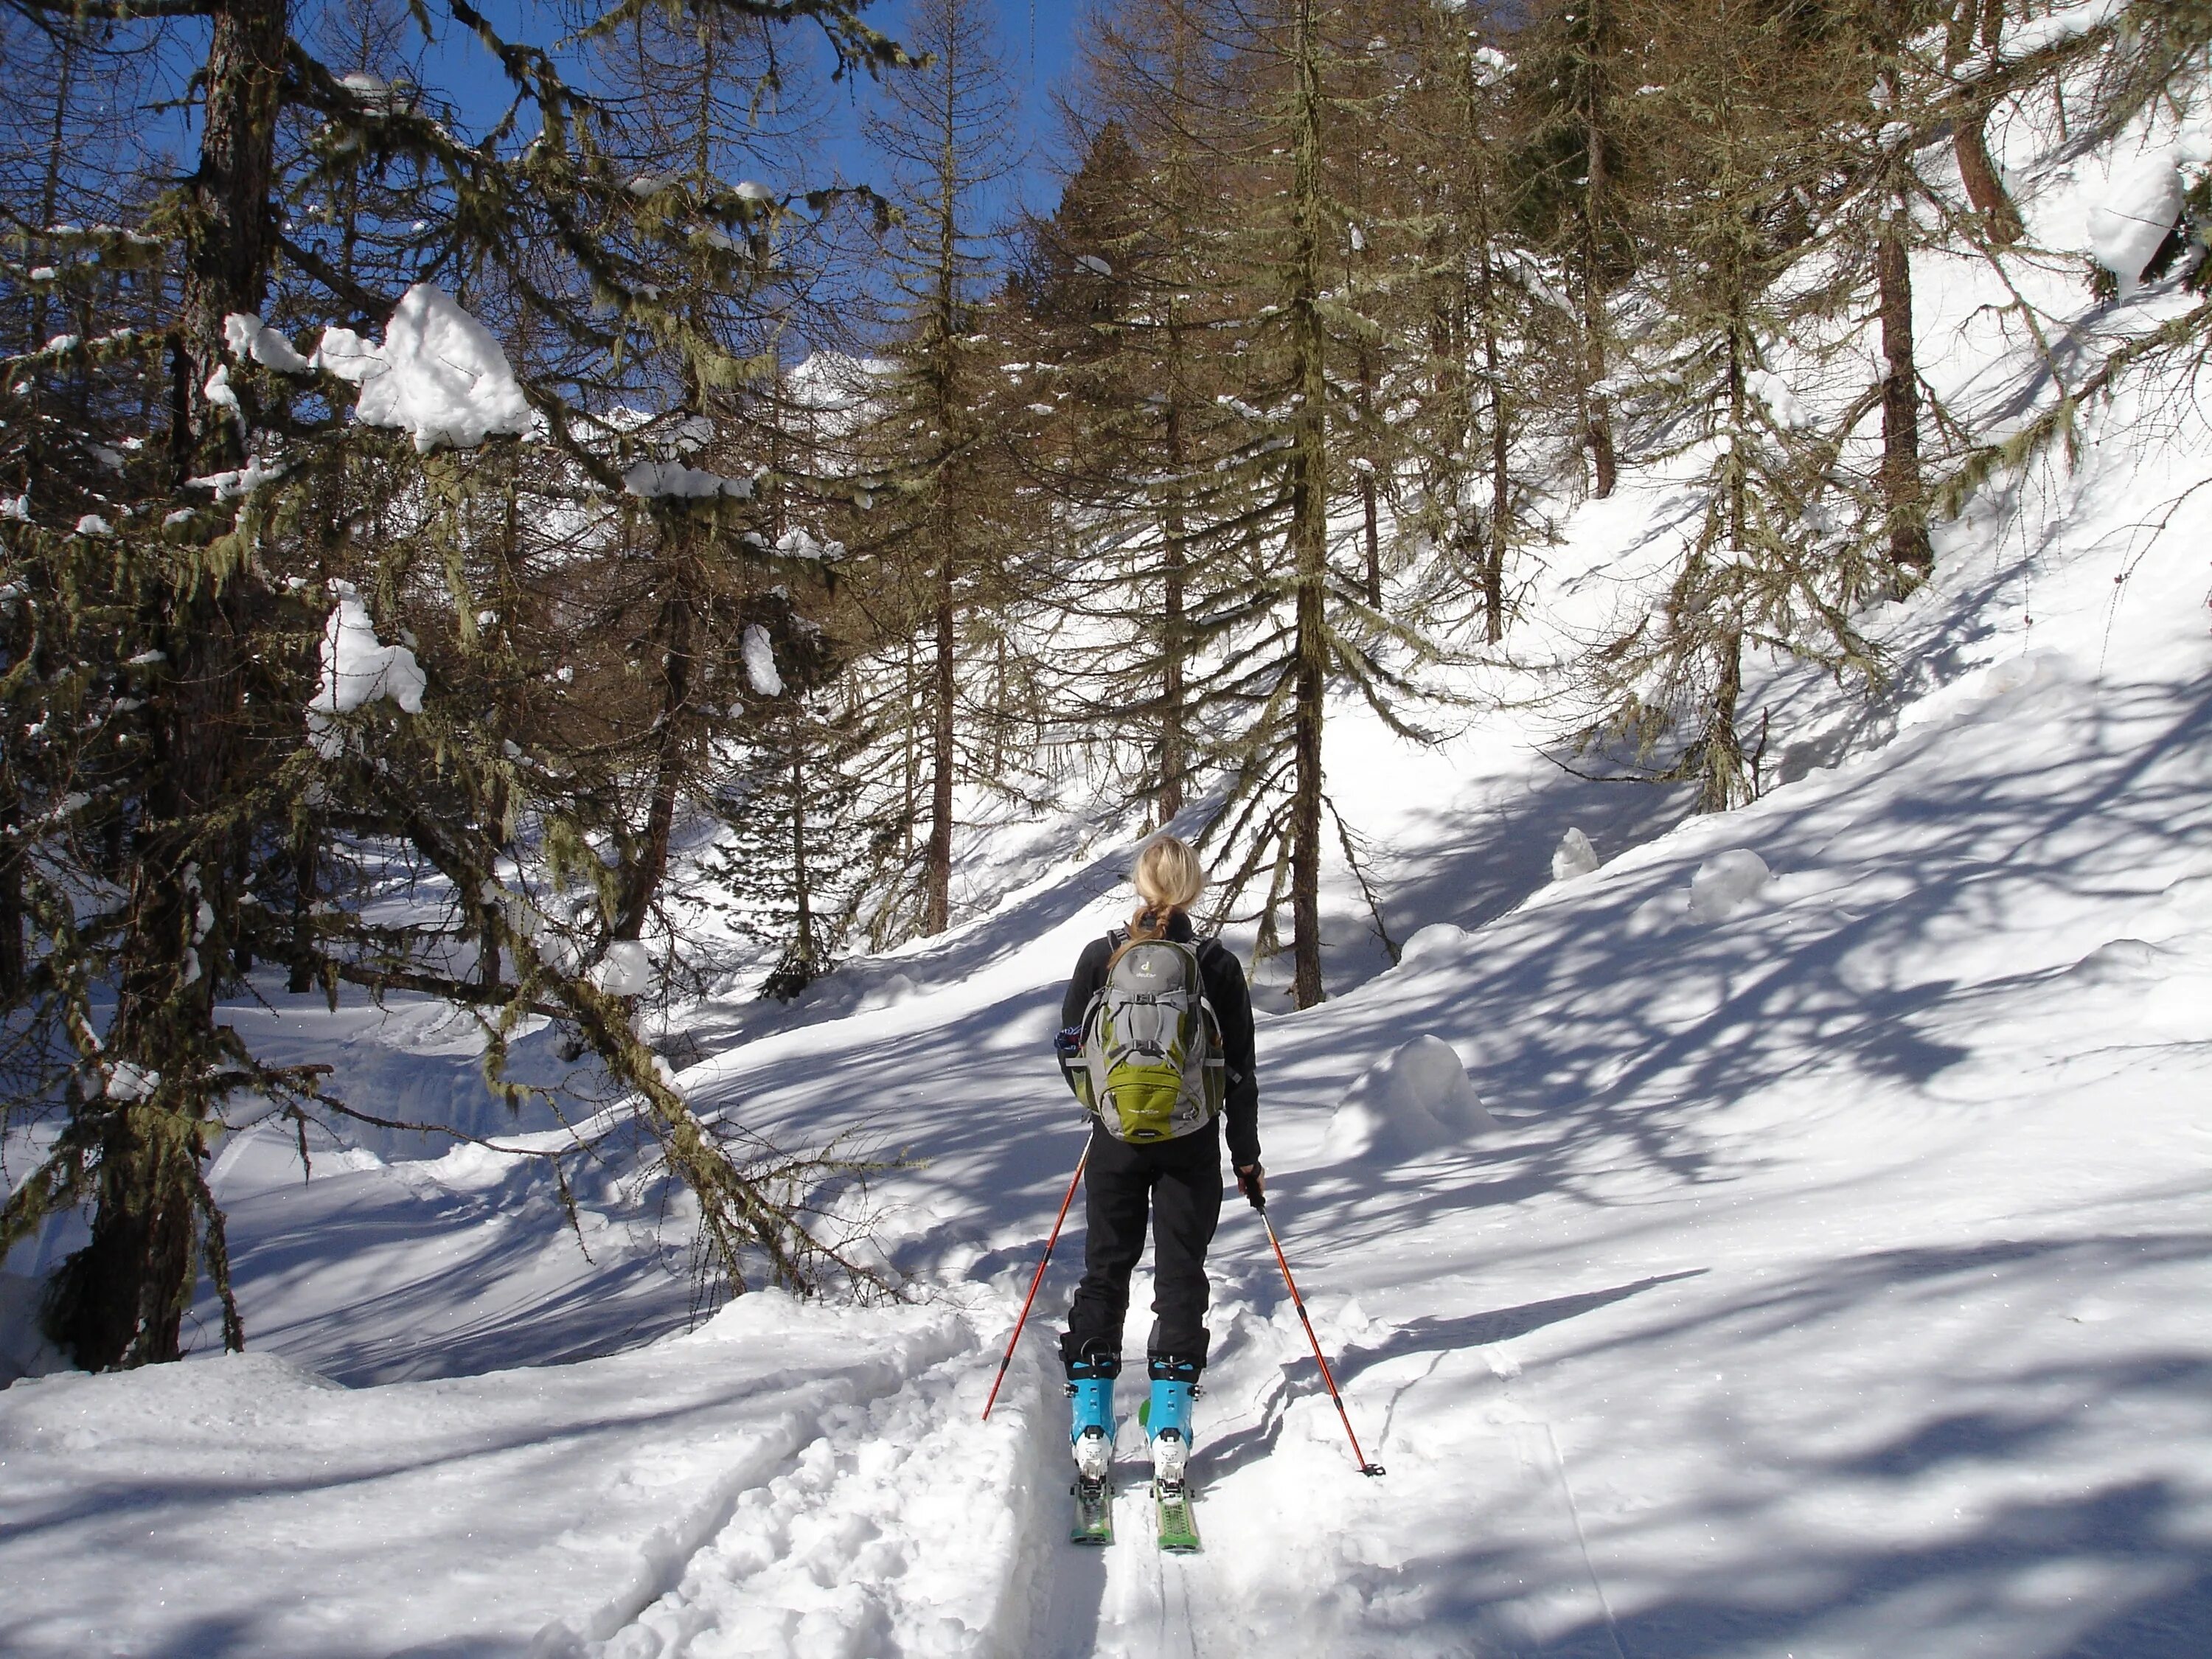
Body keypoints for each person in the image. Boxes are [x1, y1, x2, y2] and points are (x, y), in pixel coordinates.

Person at [1056, 833, 1262, 1486]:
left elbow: (1069, 1046)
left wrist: (1101, 1106)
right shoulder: (1215, 964)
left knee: (1105, 1271)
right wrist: (1246, 1158)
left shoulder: (1103, 956)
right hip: (1191, 1144)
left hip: (1114, 1142)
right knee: (1180, 1275)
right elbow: (1240, 1073)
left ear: (1141, 888)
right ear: (1193, 889)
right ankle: (1169, 1425)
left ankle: (1092, 1423)